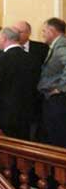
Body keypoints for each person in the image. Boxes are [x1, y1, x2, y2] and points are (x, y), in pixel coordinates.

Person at [0, 27, 37, 140]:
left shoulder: (1, 59)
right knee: (22, 147)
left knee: (4, 149)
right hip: (26, 112)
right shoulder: (31, 58)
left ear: (5, 39)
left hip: (3, 114)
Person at [13, 21, 49, 141]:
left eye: (20, 32)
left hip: (36, 96)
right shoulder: (8, 50)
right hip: (16, 99)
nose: (16, 34)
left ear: (28, 33)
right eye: (14, 31)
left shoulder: (42, 48)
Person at [38, 17, 66, 148]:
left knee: (57, 135)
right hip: (54, 97)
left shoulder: (61, 44)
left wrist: (60, 87)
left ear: (52, 30)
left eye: (44, 31)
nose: (42, 34)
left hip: (58, 98)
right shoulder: (57, 44)